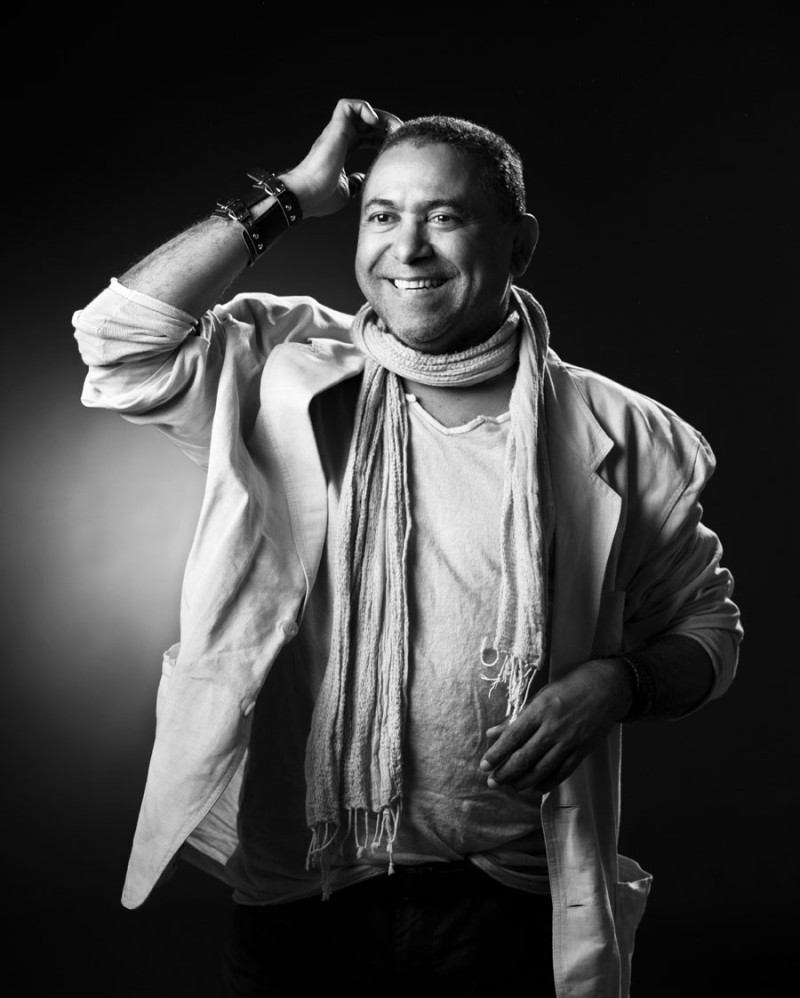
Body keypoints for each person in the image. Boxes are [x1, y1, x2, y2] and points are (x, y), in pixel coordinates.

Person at [72, 98, 742, 997]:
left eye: (446, 217)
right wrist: (289, 197)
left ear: (520, 245)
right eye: (383, 216)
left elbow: (709, 635)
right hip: (300, 885)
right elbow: (118, 343)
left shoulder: (628, 434)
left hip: (506, 897)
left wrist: (617, 684)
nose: (408, 249)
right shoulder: (282, 371)